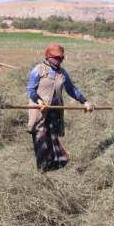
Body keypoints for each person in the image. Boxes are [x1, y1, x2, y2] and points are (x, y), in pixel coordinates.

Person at [26, 43, 94, 171]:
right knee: (41, 141)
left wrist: (84, 101)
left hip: (55, 112)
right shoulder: (38, 70)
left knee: (52, 141)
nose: (58, 61)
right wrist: (39, 101)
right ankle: (42, 171)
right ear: (49, 56)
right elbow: (30, 89)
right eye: (56, 58)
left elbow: (71, 89)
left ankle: (52, 168)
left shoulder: (62, 73)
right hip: (40, 111)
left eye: (60, 58)